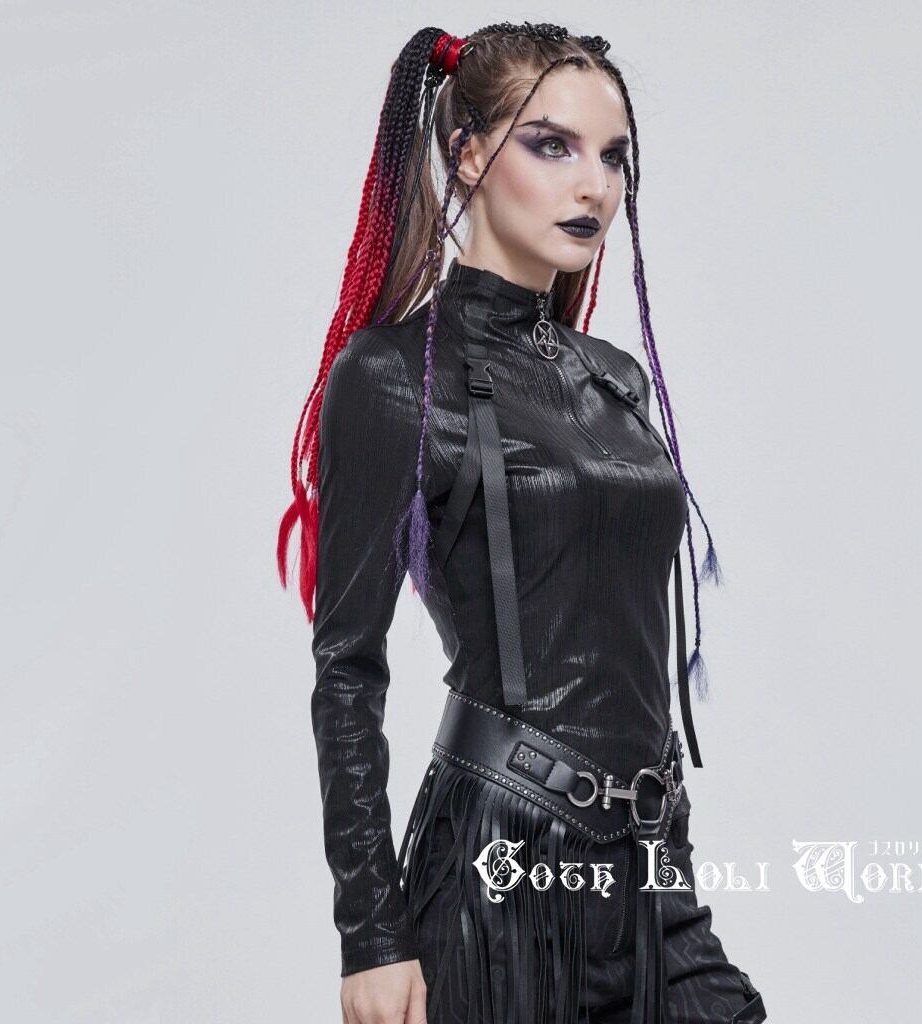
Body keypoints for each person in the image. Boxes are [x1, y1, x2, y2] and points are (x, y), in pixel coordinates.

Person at [278, 21, 767, 1024]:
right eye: (553, 146)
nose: (594, 185)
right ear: (466, 154)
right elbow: (346, 668)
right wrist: (371, 935)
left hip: (649, 866)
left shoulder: (615, 381)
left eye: (613, 156)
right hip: (497, 869)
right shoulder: (391, 377)